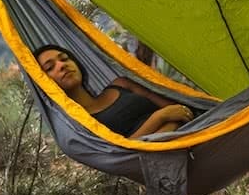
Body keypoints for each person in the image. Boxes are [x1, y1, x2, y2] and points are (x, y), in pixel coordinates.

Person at [35, 44, 194, 138]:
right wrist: (161, 117)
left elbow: (178, 109)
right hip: (162, 153)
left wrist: (176, 118)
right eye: (50, 67)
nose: (62, 65)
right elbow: (122, 151)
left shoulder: (121, 84)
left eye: (64, 58)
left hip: (190, 132)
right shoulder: (80, 125)